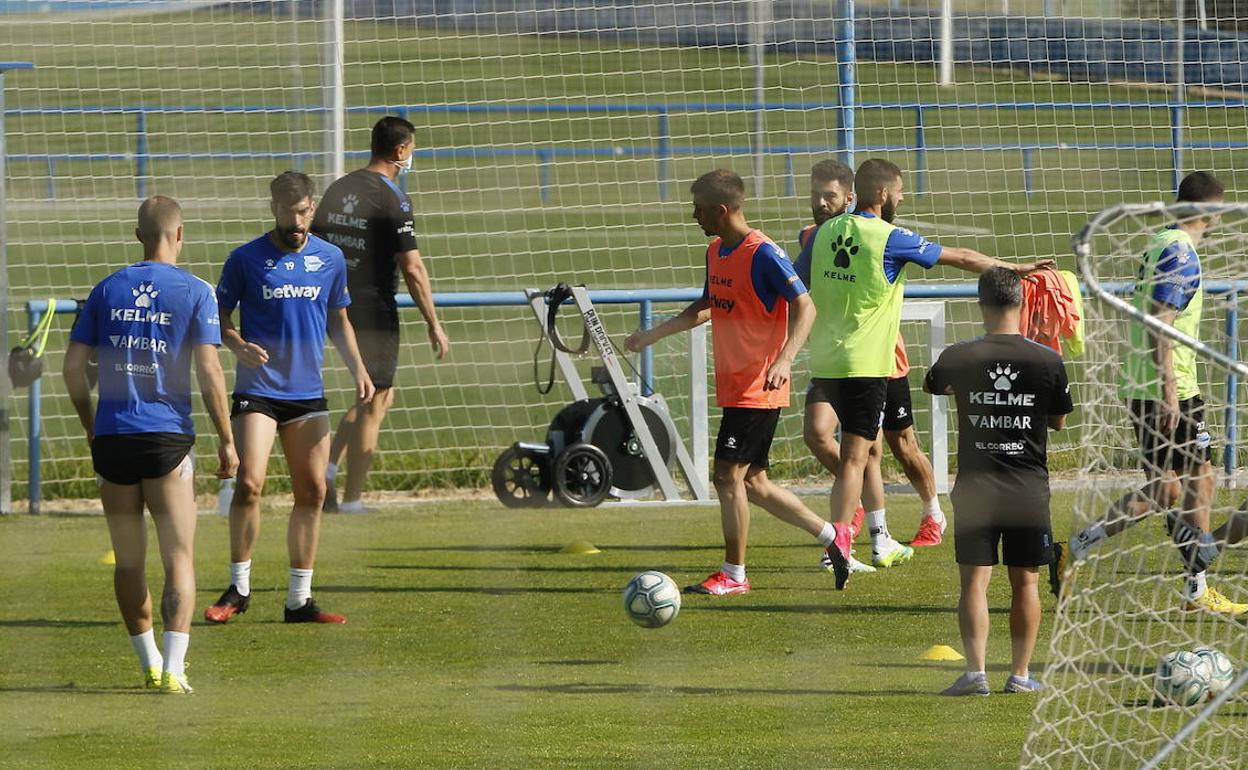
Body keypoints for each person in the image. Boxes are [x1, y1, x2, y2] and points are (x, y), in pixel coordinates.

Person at [798, 158, 1054, 589]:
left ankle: (857, 537)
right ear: (882, 194)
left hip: (824, 362)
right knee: (856, 458)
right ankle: (841, 539)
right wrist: (1015, 268)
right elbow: (961, 257)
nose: (901, 200)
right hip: (865, 365)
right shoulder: (889, 237)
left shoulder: (823, 233)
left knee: (852, 456)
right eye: (899, 192)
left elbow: (797, 281)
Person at [625, 168, 839, 595]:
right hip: (736, 384)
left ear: (721, 210)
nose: (694, 216)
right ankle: (833, 537)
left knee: (726, 476)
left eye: (699, 209)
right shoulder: (716, 251)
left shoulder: (764, 253)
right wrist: (653, 335)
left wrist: (785, 359)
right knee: (754, 484)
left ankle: (734, 574)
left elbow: (807, 307)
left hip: (759, 385)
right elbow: (706, 305)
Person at [63, 196, 238, 693]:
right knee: (178, 557)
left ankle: (149, 663)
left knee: (129, 561)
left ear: (138, 235)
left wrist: (91, 424)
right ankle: (175, 669)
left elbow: (72, 369)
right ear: (180, 234)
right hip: (166, 439)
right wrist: (227, 440)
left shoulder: (106, 288)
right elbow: (209, 371)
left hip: (114, 438)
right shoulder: (196, 291)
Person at [1057, 172, 1246, 616]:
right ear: (1210, 211)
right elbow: (1161, 321)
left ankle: (1079, 548)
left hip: (1149, 381)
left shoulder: (1160, 241)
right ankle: (1196, 586)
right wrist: (1169, 392)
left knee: (1176, 487)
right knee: (1189, 483)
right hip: (1168, 384)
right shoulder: (1180, 252)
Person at [204, 171, 374, 625]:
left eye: (302, 212)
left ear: (311, 208)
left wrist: (359, 368)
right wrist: (237, 344)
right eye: (287, 212)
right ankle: (239, 588)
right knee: (250, 482)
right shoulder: (245, 259)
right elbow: (219, 317)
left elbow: (339, 320)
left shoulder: (330, 259)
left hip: (307, 395)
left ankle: (299, 600)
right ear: (273, 209)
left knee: (314, 490)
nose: (296, 221)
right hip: (258, 391)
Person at [925, 267, 1073, 696]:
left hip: (977, 486)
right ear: (1023, 304)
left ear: (981, 305)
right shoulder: (1047, 359)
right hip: (1026, 486)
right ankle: (1020, 675)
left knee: (974, 581)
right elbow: (1059, 421)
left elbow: (936, 385)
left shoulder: (960, 356)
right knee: (1026, 581)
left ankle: (976, 674)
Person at [796, 160, 947, 579]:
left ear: (849, 197)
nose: (820, 203)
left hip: (883, 358)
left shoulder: (878, 235)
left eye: (828, 196)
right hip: (836, 359)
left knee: (897, 446)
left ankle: (930, 514)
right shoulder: (814, 237)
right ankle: (859, 525)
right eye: (815, 195)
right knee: (825, 436)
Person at [312, 116, 449, 513]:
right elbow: (413, 268)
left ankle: (328, 470)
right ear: (401, 150)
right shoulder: (394, 199)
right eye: (412, 149)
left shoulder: (339, 188)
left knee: (373, 394)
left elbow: (316, 245)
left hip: (333, 306)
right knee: (375, 401)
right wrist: (434, 324)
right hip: (373, 310)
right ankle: (352, 501)